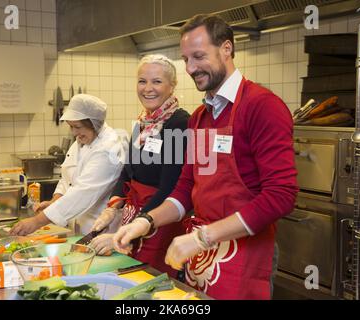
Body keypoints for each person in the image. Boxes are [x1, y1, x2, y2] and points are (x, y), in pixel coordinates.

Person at [113, 14, 298, 300]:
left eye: (198, 56)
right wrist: (146, 222)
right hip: (202, 257)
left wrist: (203, 237)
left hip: (245, 254)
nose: (190, 67)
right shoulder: (200, 117)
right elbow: (185, 189)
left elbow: (281, 195)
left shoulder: (262, 106)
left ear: (226, 48)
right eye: (185, 59)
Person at [89, 54, 190, 278]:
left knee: (150, 281)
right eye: (142, 81)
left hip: (159, 222)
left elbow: (169, 188)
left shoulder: (178, 124)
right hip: (136, 217)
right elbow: (128, 171)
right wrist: (112, 208)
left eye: (157, 81)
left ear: (172, 86)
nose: (148, 88)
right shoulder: (144, 122)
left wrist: (135, 227)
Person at [10, 94, 127, 236]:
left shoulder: (109, 149)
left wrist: (37, 222)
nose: (74, 132)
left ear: (94, 123)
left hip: (101, 228)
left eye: (77, 126)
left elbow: (81, 194)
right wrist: (54, 201)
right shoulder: (82, 140)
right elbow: (67, 177)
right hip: (79, 224)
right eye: (71, 126)